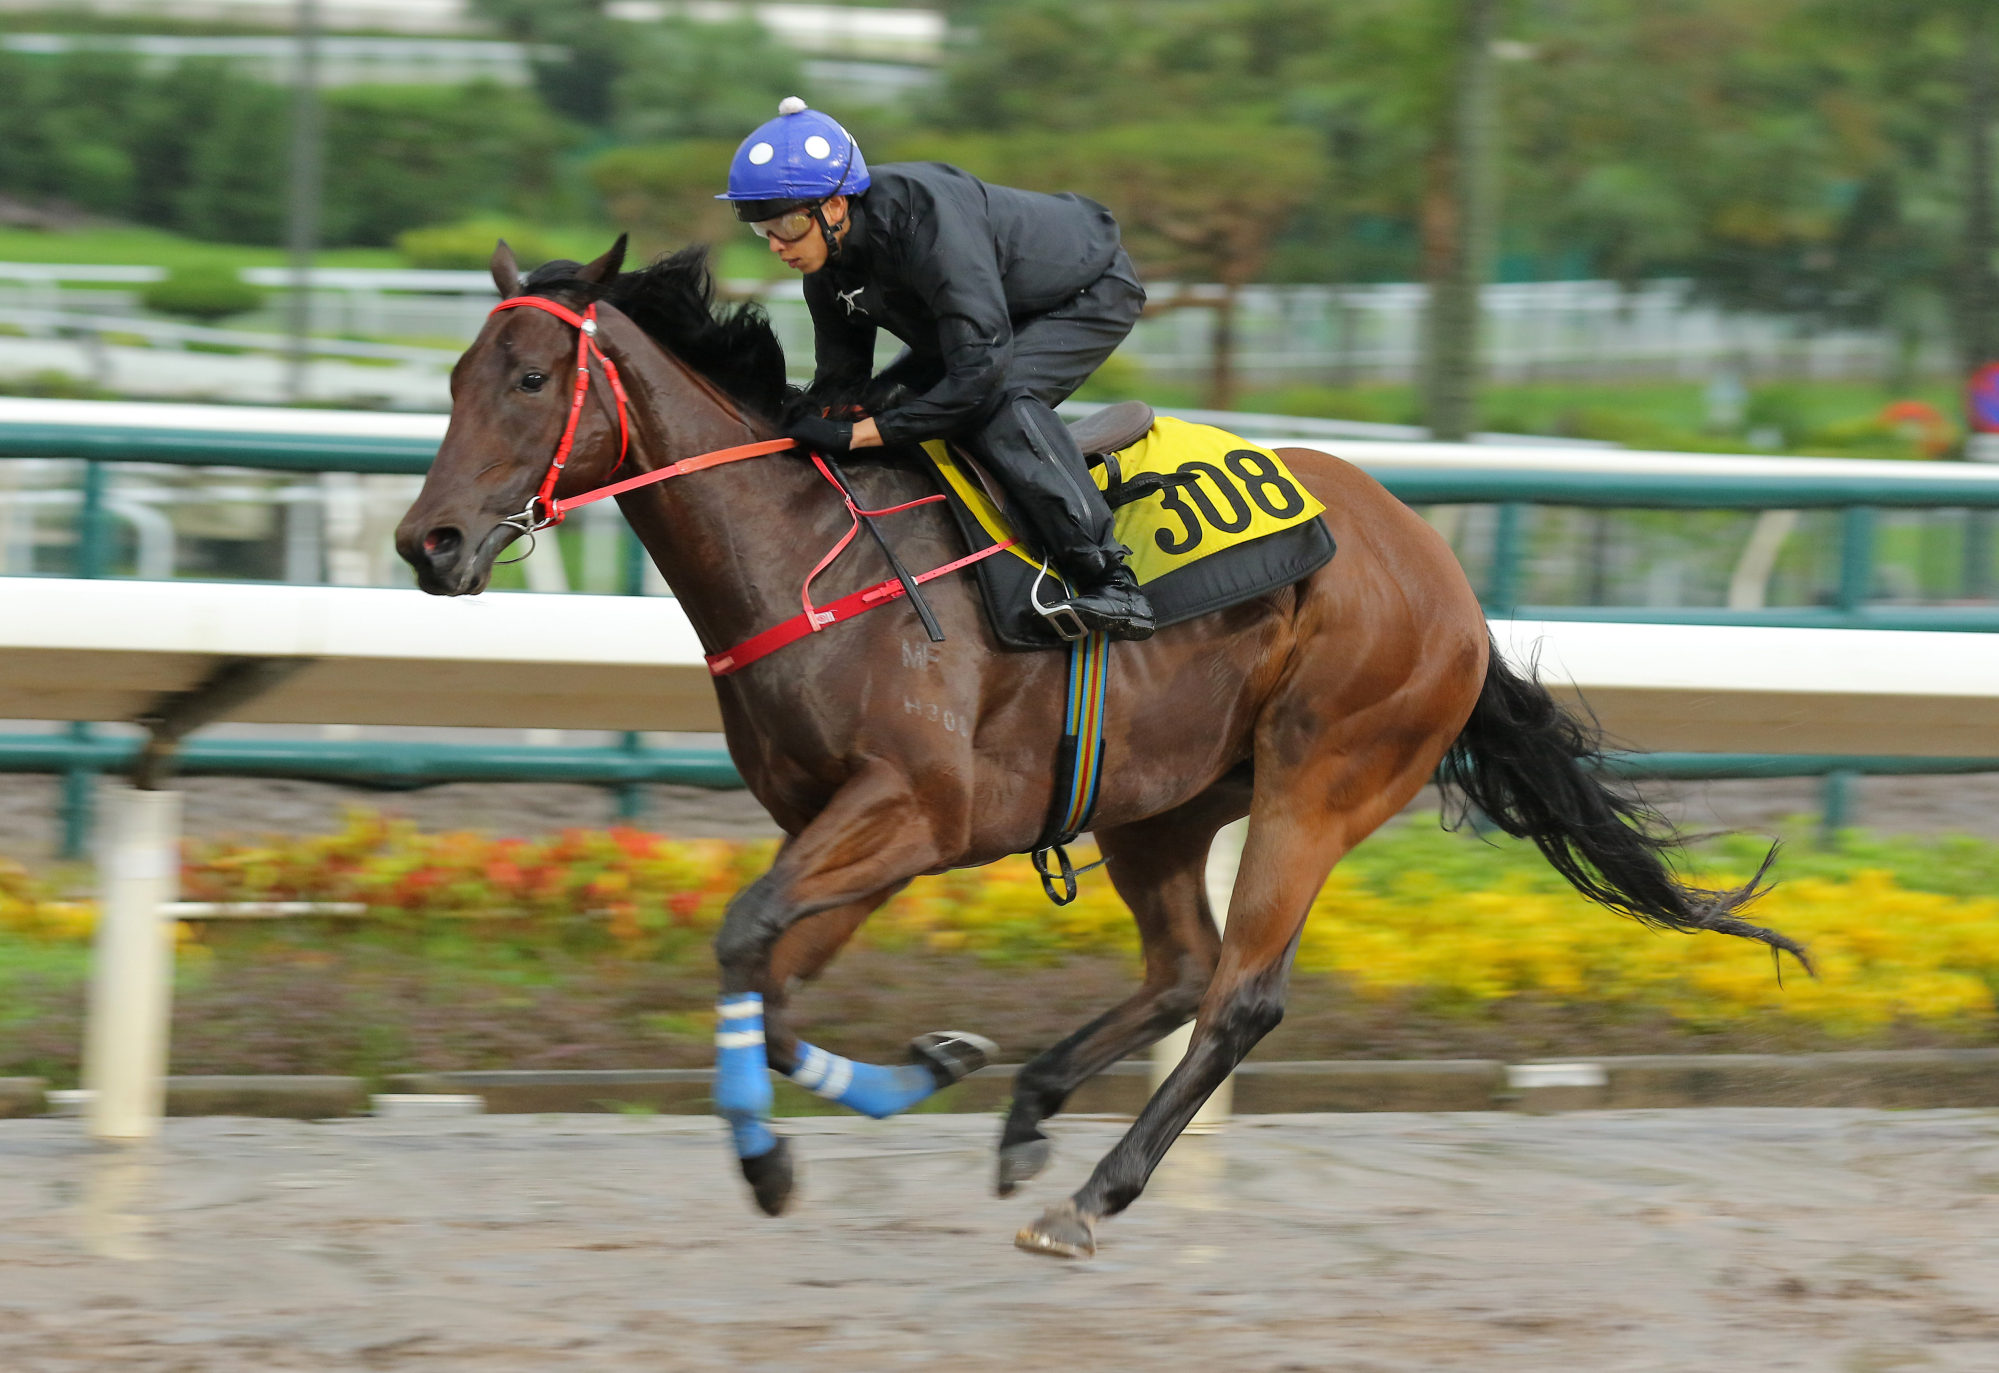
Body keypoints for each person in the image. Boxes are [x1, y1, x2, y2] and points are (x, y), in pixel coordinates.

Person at [718, 97, 1154, 641]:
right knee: (881, 403)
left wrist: (859, 435)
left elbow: (977, 375)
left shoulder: (928, 221)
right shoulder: (825, 266)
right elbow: (842, 382)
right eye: (762, 230)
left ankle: (1112, 579)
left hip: (1081, 294)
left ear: (834, 207)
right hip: (980, 314)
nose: (777, 245)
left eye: (785, 224)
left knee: (995, 406)